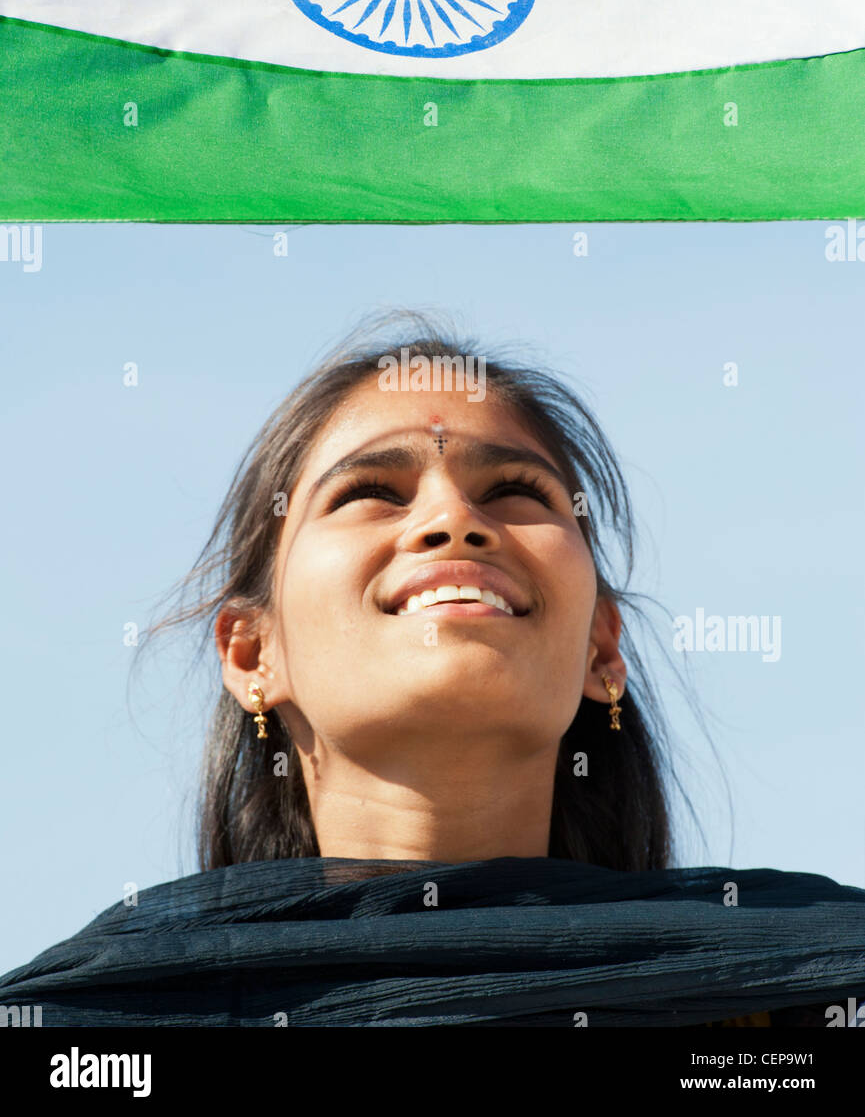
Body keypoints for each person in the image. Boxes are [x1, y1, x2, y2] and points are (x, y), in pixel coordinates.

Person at [1, 310, 862, 1027]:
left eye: (516, 493)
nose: (452, 519)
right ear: (253, 654)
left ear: (603, 649)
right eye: (370, 490)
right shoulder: (97, 1026)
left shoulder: (806, 993)